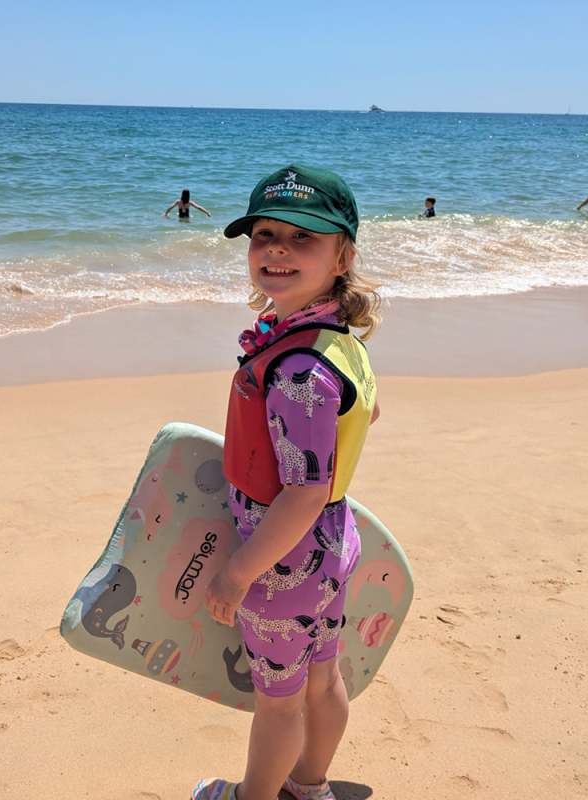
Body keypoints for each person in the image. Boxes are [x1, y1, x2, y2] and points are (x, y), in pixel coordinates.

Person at [191, 165, 382, 800]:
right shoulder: (334, 339)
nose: (277, 248)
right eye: (264, 234)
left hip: (282, 561)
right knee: (324, 679)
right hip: (333, 542)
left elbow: (300, 489)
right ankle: (310, 787)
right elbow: (368, 411)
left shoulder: (298, 369)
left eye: (304, 238)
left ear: (341, 255)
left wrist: (239, 570)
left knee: (278, 705)